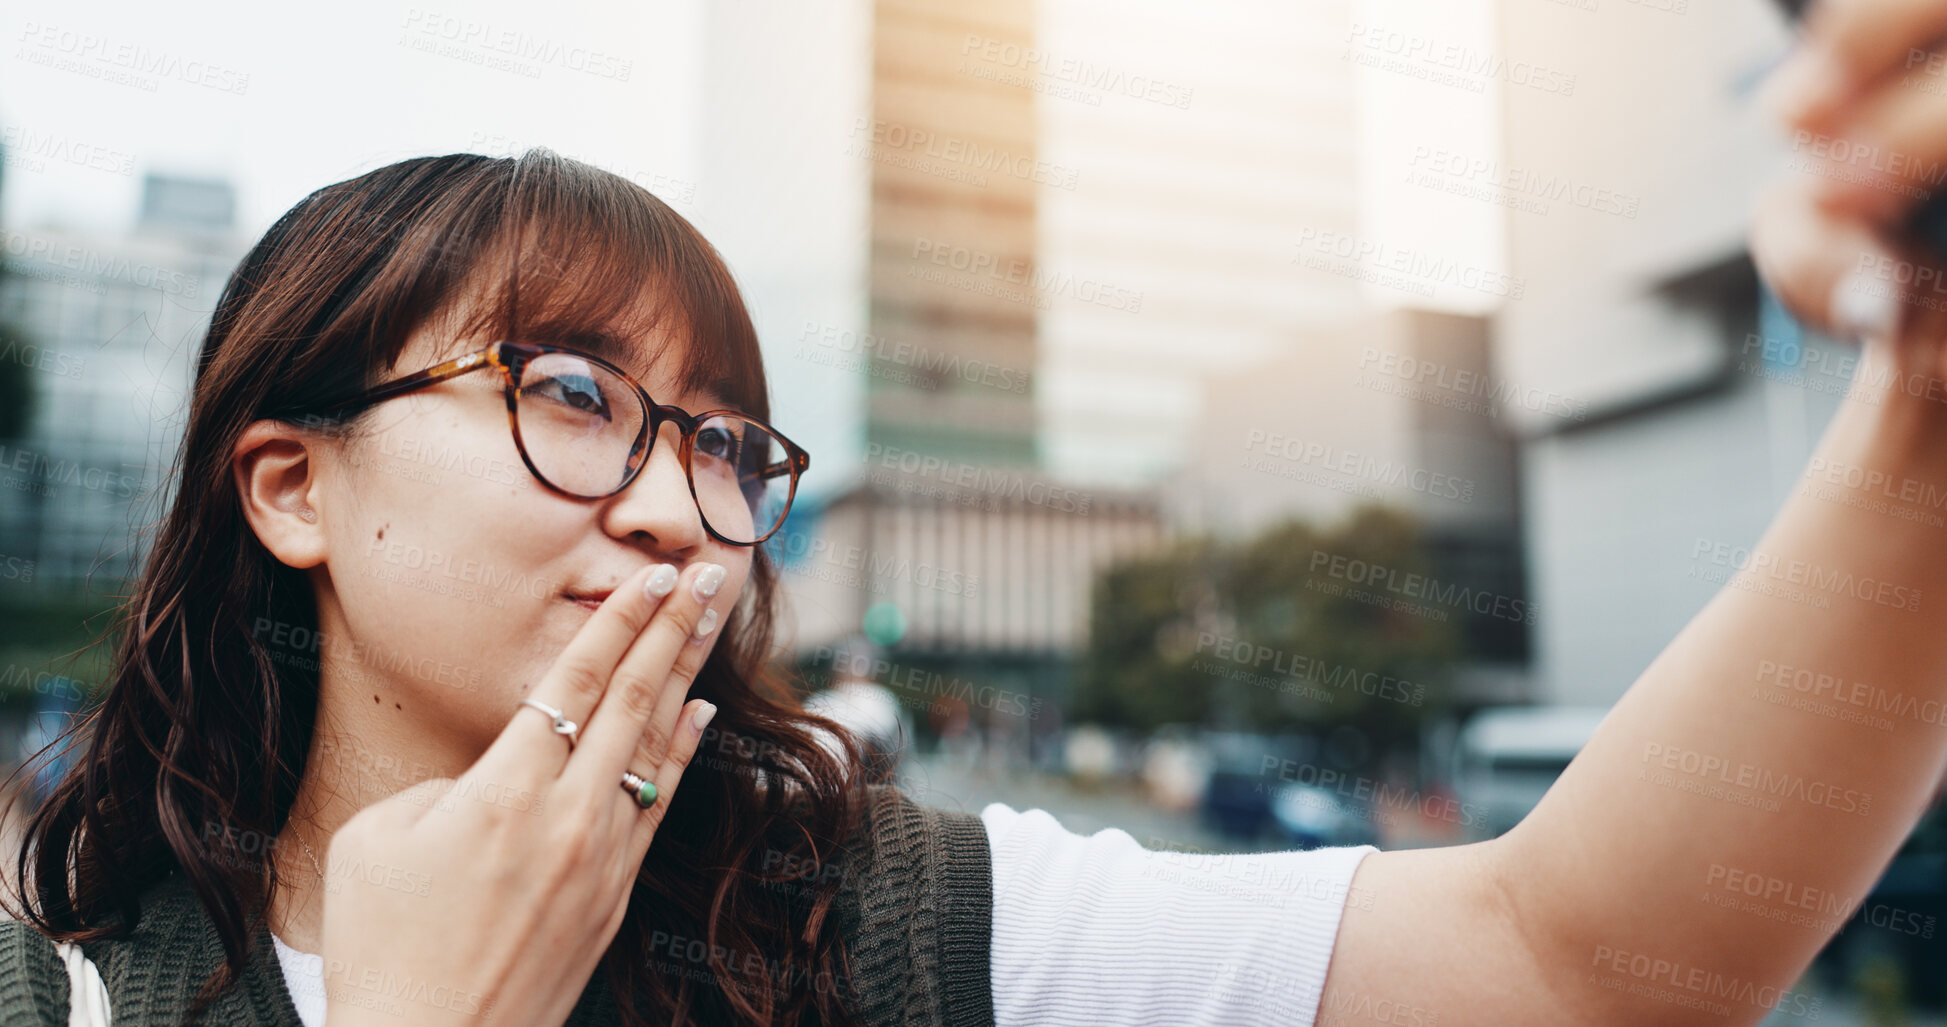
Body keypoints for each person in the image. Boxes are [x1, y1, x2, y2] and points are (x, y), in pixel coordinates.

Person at [6, 5, 1947, 1025]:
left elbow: (1583, 967)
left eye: (725, 445)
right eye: (572, 396)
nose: (682, 511)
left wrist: (1923, 390)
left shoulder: (889, 925)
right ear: (289, 484)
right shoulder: (48, 979)